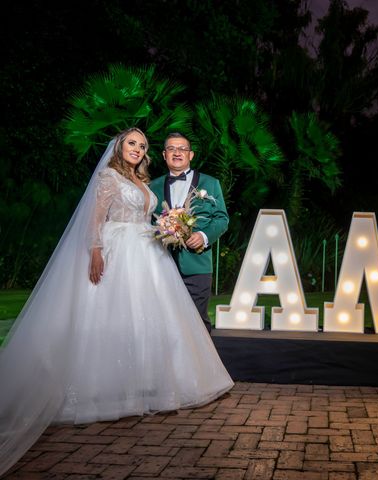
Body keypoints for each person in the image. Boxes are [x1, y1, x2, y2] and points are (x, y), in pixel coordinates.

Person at [0, 128, 234, 477]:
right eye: (132, 143)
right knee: (114, 317)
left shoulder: (149, 181)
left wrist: (183, 229)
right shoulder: (112, 177)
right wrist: (96, 250)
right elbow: (96, 217)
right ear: (119, 147)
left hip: (151, 255)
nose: (138, 149)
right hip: (121, 251)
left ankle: (150, 383)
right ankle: (109, 389)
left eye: (142, 145)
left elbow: (212, 218)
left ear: (190, 154)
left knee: (156, 322)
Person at [150, 133, 228, 333]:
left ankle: (202, 365)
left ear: (191, 155)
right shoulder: (153, 187)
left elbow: (222, 219)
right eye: (171, 149)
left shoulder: (210, 183)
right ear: (164, 155)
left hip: (197, 265)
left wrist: (203, 236)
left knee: (197, 323)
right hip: (161, 264)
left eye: (182, 149)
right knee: (164, 323)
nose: (177, 153)